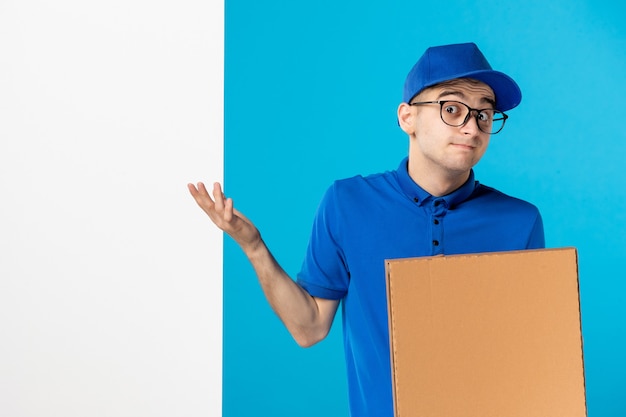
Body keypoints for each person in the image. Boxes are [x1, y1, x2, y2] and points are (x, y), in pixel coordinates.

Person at [188, 42, 545, 417]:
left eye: (485, 114)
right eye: (452, 109)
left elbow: (528, 355)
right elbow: (309, 328)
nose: (472, 127)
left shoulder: (519, 222)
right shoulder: (348, 203)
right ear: (407, 117)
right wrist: (254, 247)